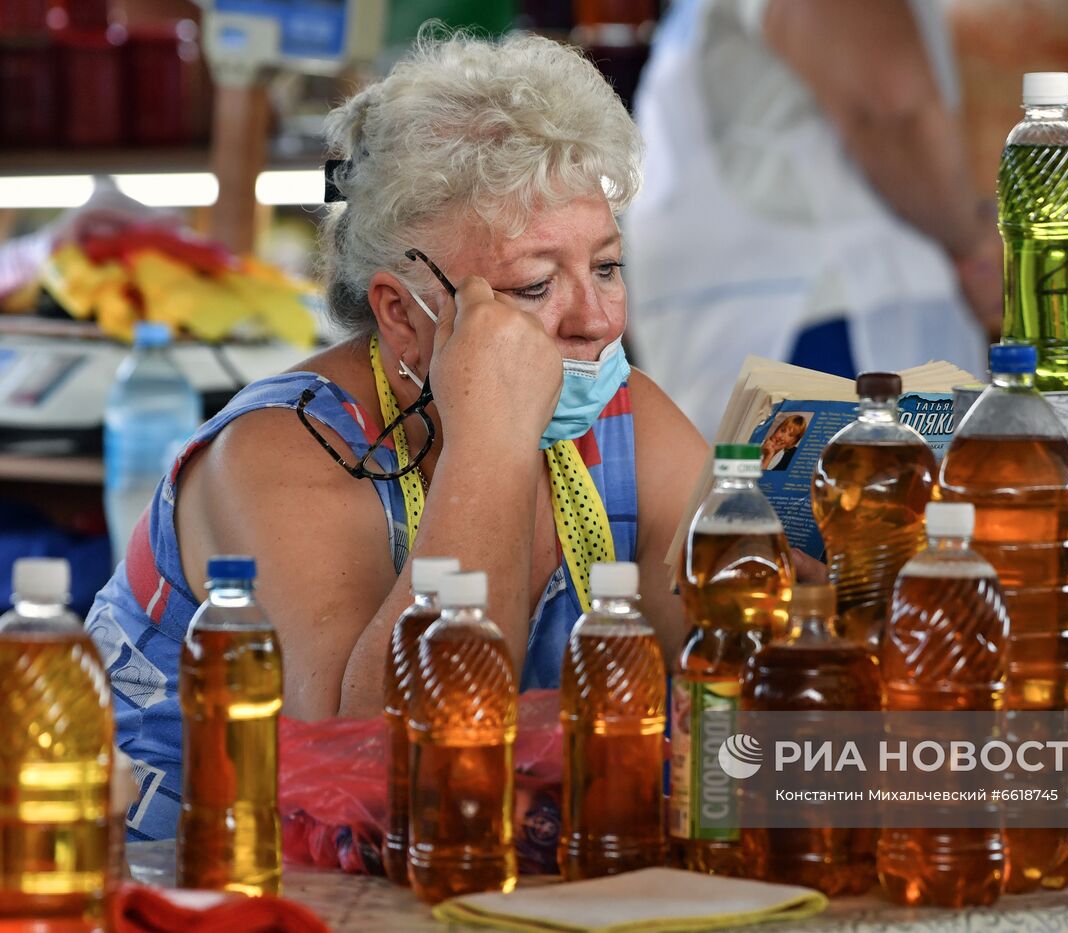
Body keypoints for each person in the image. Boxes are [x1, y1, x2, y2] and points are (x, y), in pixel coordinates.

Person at [83, 32, 710, 840]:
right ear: (401, 316)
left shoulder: (628, 424)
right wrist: (492, 438)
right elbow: (378, 776)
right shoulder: (281, 451)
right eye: (534, 285)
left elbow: (732, 686)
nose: (595, 321)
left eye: (608, 267)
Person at [622, 0, 1001, 439]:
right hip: (819, 339)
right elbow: (890, 104)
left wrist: (970, 243)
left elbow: (891, 105)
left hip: (829, 333)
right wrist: (972, 243)